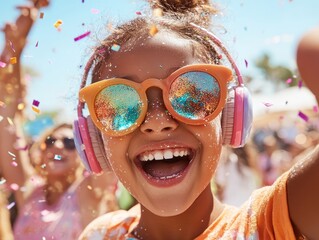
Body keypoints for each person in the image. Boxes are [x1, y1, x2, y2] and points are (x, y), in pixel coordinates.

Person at [75, 0, 319, 239]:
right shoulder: (100, 234)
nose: (157, 121)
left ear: (229, 116)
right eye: (119, 105)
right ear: (96, 139)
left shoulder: (271, 224)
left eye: (191, 94)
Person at [0, 1, 119, 239]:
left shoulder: (88, 192)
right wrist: (16, 47)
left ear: (85, 155)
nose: (57, 146)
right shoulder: (29, 192)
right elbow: (7, 114)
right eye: (50, 141)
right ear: (39, 152)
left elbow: (114, 133)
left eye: (69, 143)